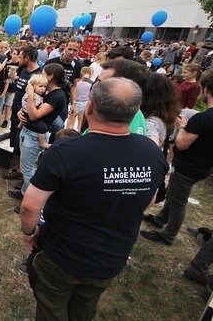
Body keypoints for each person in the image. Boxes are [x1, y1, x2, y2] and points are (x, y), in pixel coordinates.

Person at [20, 77, 168, 320]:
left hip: (62, 255)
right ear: (134, 113)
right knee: (85, 306)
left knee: (51, 307)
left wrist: (29, 232)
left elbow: (29, 206)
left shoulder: (66, 151)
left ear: (89, 107)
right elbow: (150, 200)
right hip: (111, 257)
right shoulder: (151, 151)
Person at [141, 69, 213, 245]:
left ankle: (168, 234)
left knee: (178, 201)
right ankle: (160, 219)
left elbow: (181, 143)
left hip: (188, 167)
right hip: (203, 166)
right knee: (173, 193)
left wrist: (182, 126)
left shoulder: (202, 119)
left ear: (206, 89)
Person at [17, 63, 67, 197]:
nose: (40, 75)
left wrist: (29, 94)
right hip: (29, 132)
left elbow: (34, 115)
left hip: (34, 135)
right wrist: (20, 112)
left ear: (50, 77)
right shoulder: (47, 92)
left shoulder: (57, 96)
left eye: (43, 73)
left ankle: (27, 197)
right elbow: (29, 108)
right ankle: (24, 190)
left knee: (27, 169)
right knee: (27, 167)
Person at [4, 46, 41, 183]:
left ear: (27, 58)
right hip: (15, 114)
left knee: (24, 147)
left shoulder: (38, 76)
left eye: (20, 57)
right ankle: (17, 170)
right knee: (16, 143)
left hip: (25, 118)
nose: (18, 59)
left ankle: (24, 177)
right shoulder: (24, 71)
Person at [66, 66, 93, 131]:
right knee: (81, 120)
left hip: (76, 102)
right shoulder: (90, 83)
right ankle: (79, 131)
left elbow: (72, 93)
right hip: (85, 103)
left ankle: (68, 130)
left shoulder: (76, 84)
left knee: (71, 119)